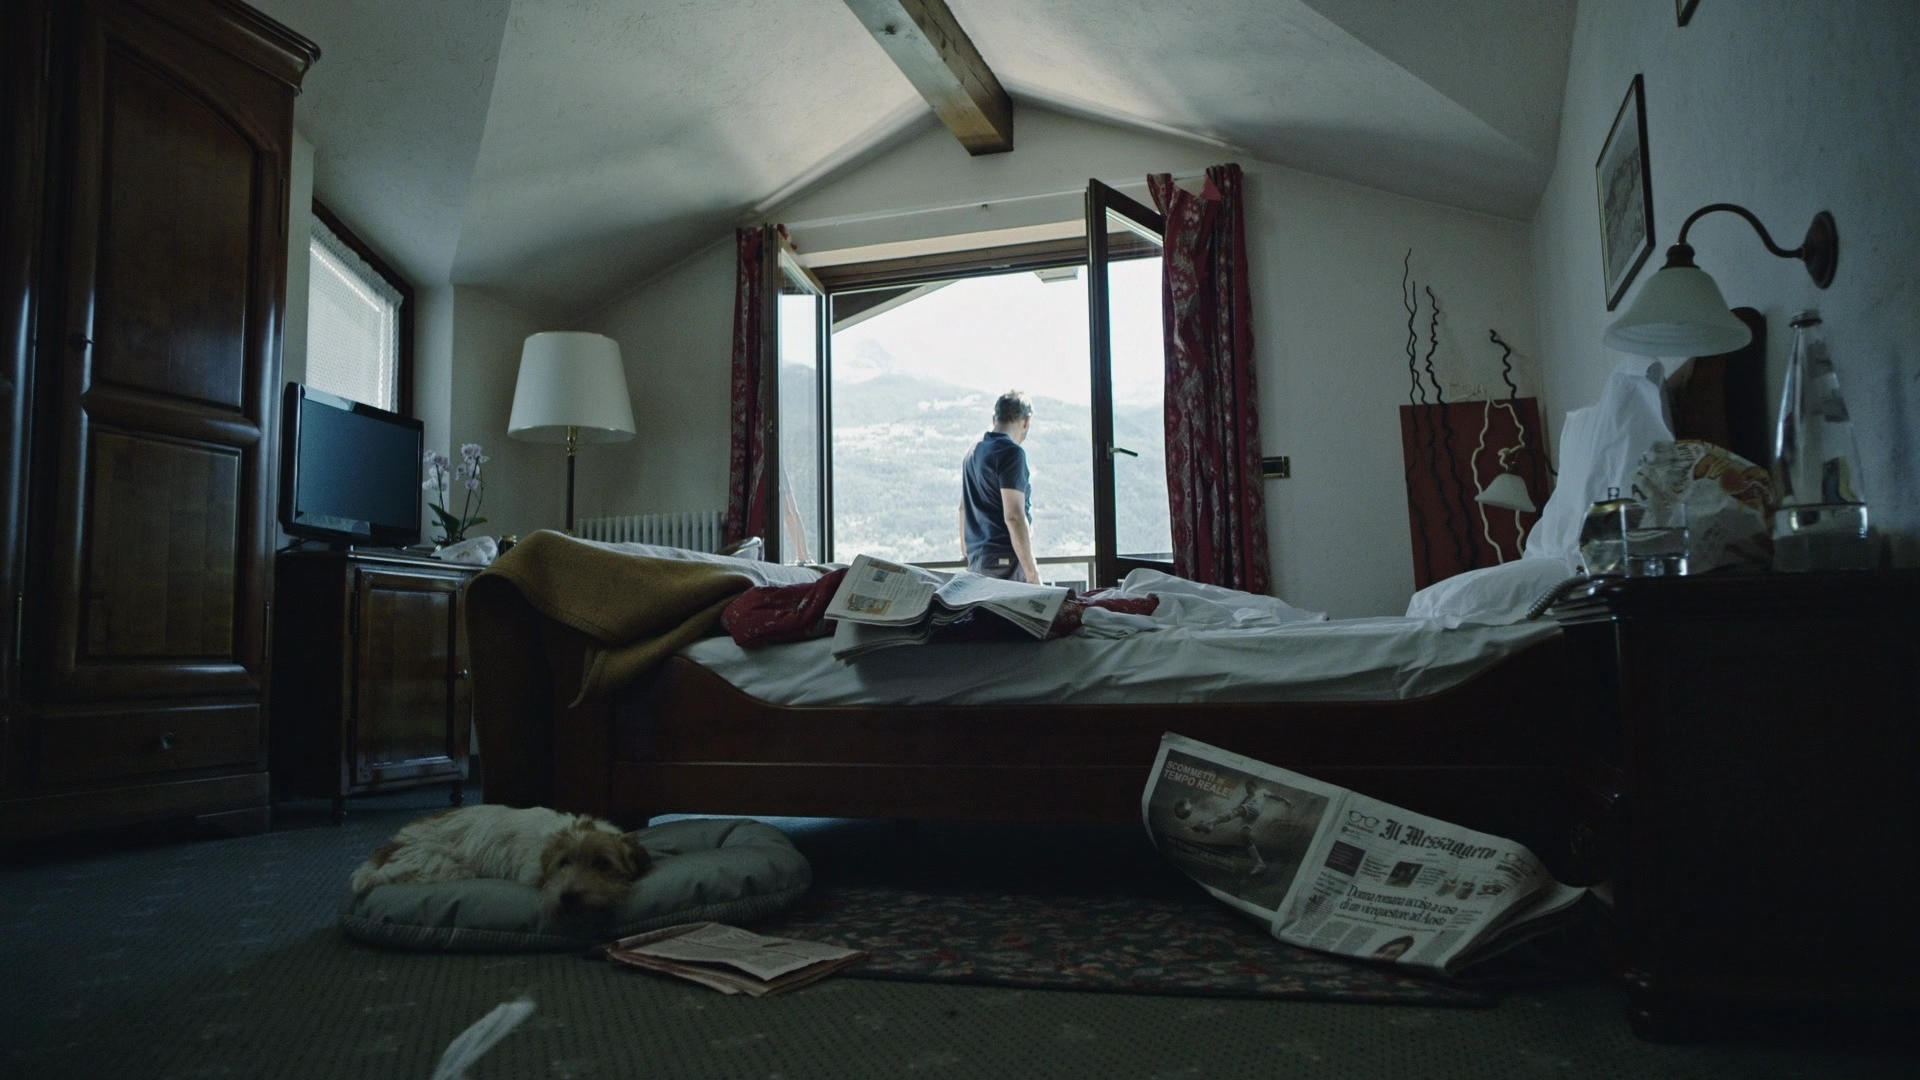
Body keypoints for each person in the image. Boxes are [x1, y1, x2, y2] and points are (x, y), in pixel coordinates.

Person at [959, 390, 1041, 583]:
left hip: (978, 562)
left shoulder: (973, 451)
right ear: (1026, 421)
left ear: (994, 418)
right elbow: (1014, 517)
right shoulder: (1011, 453)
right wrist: (1032, 574)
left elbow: (963, 508)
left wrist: (966, 553)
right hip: (1005, 564)